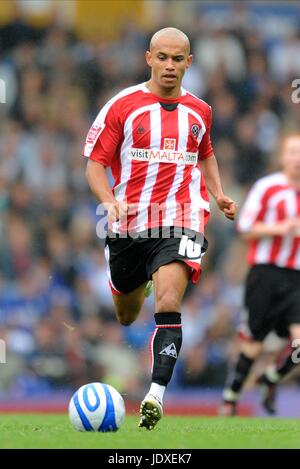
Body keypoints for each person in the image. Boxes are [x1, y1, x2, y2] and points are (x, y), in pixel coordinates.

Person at [83, 27, 237, 430]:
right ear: (149, 58)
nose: (170, 66)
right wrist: (108, 201)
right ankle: (137, 279)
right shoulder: (123, 105)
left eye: (178, 59)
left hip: (182, 218)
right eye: (163, 57)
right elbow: (95, 164)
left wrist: (218, 194)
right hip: (129, 223)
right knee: (126, 314)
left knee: (168, 302)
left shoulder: (200, 110)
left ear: (189, 62)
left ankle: (155, 395)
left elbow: (206, 153)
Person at [220, 133, 300, 416]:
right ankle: (230, 399)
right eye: (293, 151)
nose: (298, 158)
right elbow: (244, 226)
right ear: (283, 156)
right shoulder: (268, 187)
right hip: (264, 274)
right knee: (253, 340)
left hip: (296, 278)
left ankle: (270, 378)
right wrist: (279, 228)